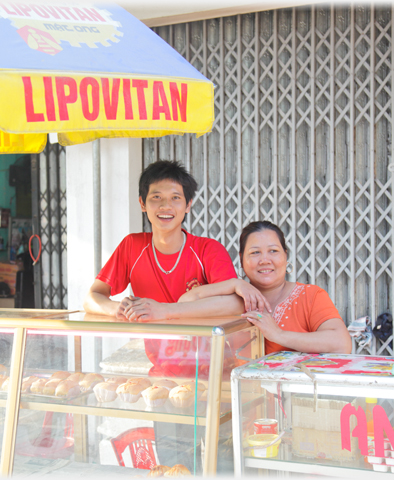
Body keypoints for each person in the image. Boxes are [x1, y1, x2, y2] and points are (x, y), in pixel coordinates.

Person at [83, 160, 260, 473]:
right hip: (165, 381)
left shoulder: (207, 250)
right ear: (142, 203)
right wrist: (119, 309)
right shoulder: (131, 247)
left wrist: (165, 310)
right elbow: (92, 298)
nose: (165, 206)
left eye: (175, 197)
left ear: (188, 204)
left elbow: (235, 305)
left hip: (216, 380)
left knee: (222, 465)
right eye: (156, 197)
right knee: (174, 464)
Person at [179, 220, 352, 354]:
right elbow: (185, 303)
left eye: (273, 251)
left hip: (297, 398)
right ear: (241, 259)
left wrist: (278, 335)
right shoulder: (234, 300)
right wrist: (234, 283)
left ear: (285, 255)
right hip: (243, 397)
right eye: (255, 252)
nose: (264, 260)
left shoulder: (310, 296)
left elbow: (341, 344)